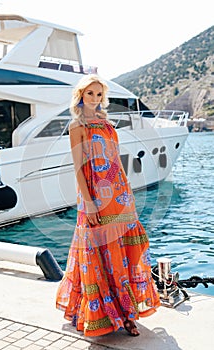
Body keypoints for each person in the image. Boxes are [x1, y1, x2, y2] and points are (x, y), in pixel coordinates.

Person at [56, 74, 160, 337]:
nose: (94, 99)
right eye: (89, 94)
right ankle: (111, 316)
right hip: (94, 198)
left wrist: (127, 192)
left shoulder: (106, 122)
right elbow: (79, 168)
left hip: (119, 195)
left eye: (99, 94)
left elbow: (115, 161)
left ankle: (127, 311)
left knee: (126, 249)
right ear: (80, 95)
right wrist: (89, 203)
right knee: (99, 254)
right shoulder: (77, 126)